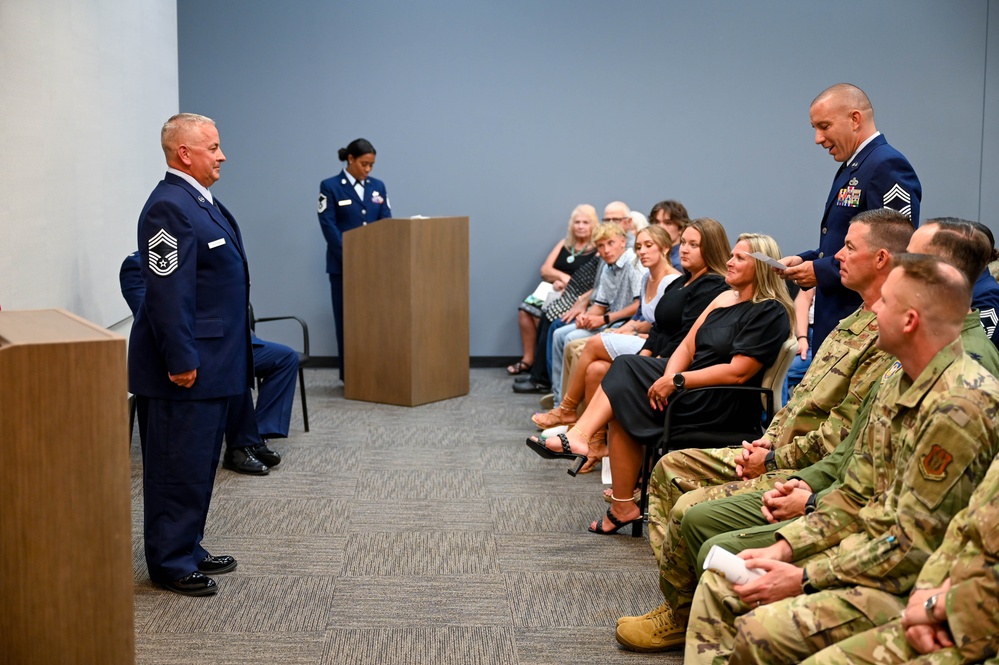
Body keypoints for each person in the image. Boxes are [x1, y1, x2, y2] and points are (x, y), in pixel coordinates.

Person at [615, 209, 912, 652]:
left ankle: (691, 610)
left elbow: (837, 434)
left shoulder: (883, 335)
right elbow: (800, 404)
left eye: (848, 247)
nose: (835, 256)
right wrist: (768, 441)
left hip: (801, 468)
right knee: (669, 467)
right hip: (774, 447)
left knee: (690, 510)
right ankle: (684, 603)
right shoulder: (851, 321)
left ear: (883, 258)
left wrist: (772, 458)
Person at [684, 254, 999, 665]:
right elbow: (853, 494)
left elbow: (912, 547)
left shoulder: (958, 407)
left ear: (909, 322)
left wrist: (804, 577)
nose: (873, 311)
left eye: (884, 303)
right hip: (866, 551)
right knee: (721, 583)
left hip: (903, 580)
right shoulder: (898, 381)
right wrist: (786, 548)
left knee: (760, 630)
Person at [528, 231, 793, 536]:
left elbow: (737, 373)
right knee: (625, 386)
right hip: (688, 386)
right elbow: (687, 347)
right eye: (731, 255)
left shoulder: (770, 311)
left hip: (717, 400)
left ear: (761, 266)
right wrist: (669, 377)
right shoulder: (724, 298)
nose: (729, 262)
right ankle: (615, 490)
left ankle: (587, 445)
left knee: (625, 376)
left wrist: (678, 381)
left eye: (739, 258)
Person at [128, 113, 251, 596]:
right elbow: (166, 293)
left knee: (197, 462)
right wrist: (180, 358)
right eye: (214, 147)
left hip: (213, 361)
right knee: (174, 465)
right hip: (185, 367)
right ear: (185, 153)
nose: (222, 155)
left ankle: (187, 543)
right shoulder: (168, 208)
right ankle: (170, 561)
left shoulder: (199, 201)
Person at [800, 449, 999, 665]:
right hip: (937, 596)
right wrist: (927, 593)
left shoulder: (958, 416)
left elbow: (914, 541)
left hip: (967, 618)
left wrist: (938, 606)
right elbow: (964, 527)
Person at [120, 252, 294, 475]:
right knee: (230, 365)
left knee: (284, 357)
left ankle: (256, 435)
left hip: (234, 338)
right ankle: (239, 447)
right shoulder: (136, 264)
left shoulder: (198, 258)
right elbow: (153, 316)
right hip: (189, 347)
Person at [781, 83, 921, 350]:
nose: (818, 139)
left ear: (855, 119)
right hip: (839, 320)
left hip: (863, 326)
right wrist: (807, 260)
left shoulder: (886, 164)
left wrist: (820, 272)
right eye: (815, 129)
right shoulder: (856, 166)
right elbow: (847, 241)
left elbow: (894, 249)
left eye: (824, 126)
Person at [531, 226, 680, 470]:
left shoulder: (671, 281)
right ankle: (596, 443)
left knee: (593, 342)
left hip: (654, 345)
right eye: (640, 246)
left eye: (649, 246)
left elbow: (661, 327)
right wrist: (625, 328)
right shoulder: (646, 277)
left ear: (665, 248)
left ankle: (567, 409)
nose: (642, 251)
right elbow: (642, 315)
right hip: (641, 335)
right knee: (596, 370)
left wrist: (627, 328)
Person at [545, 221, 644, 404]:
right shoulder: (607, 267)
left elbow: (639, 306)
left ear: (623, 241)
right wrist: (587, 316)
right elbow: (600, 304)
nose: (606, 250)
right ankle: (558, 399)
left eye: (610, 243)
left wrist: (603, 318)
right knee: (559, 333)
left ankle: (569, 404)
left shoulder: (633, 263)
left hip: (627, 324)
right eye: (601, 245)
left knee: (569, 338)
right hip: (610, 320)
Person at [317, 138, 391, 381]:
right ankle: (351, 376)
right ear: (351, 159)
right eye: (364, 164)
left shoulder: (378, 186)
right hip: (343, 267)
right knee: (347, 321)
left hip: (375, 268)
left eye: (371, 165)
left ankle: (375, 371)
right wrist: (352, 258)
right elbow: (328, 226)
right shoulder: (330, 186)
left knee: (376, 320)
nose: (368, 169)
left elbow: (386, 223)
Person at [508, 204, 598, 375]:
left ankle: (543, 369)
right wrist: (562, 278)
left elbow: (595, 281)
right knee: (525, 310)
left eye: (585, 222)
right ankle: (529, 359)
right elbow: (545, 270)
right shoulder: (565, 244)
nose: (580, 226)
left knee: (545, 316)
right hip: (554, 289)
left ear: (594, 225)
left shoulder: (597, 250)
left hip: (577, 295)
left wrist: (570, 284)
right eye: (577, 222)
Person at [649, 199, 690, 271]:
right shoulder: (652, 257)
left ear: (681, 228)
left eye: (667, 223)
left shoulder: (680, 263)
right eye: (656, 222)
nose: (660, 227)